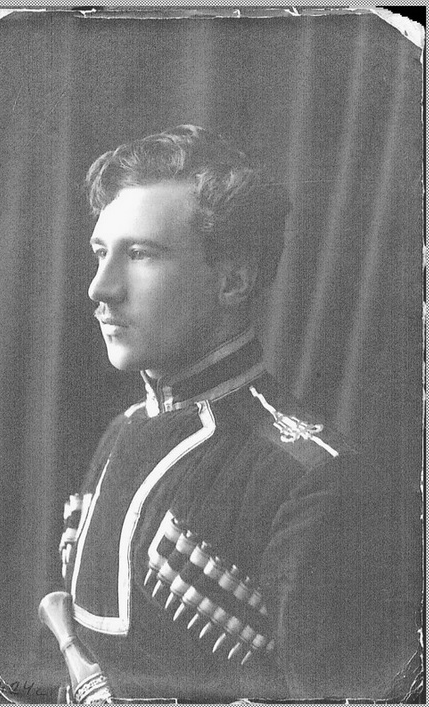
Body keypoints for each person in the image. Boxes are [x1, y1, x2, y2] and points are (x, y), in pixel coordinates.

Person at [58, 125, 407, 702]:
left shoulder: (314, 478)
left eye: (140, 255)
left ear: (234, 280)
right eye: (101, 253)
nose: (101, 287)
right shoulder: (123, 431)